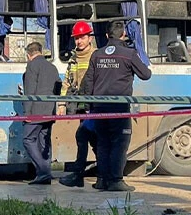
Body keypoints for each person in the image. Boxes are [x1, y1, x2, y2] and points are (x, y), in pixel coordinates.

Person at [79, 22, 152, 192]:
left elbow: (88, 82)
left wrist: (90, 106)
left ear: (106, 36)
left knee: (103, 143)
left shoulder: (97, 55)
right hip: (119, 107)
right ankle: (116, 180)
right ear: (124, 35)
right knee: (120, 143)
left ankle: (102, 180)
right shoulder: (129, 54)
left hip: (99, 107)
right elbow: (146, 74)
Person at [58, 20, 99, 187]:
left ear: (90, 38)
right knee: (86, 139)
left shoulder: (97, 56)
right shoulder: (74, 58)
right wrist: (61, 103)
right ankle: (99, 175)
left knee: (88, 138)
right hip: (82, 107)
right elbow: (67, 82)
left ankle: (85, 176)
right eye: (76, 38)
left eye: (82, 37)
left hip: (94, 106)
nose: (79, 41)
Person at [21, 41, 59, 185]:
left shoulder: (32, 66)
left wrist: (27, 113)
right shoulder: (52, 66)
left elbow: (30, 91)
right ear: (40, 51)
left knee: (28, 139)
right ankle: (44, 174)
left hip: (36, 111)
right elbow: (58, 86)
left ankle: (44, 171)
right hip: (50, 110)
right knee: (44, 142)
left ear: (28, 55)